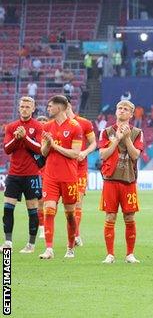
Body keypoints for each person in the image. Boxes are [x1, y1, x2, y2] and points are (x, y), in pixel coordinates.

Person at [98, 100, 143, 264]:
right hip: (110, 180)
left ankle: (130, 254)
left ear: (131, 114)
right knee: (110, 217)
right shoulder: (106, 132)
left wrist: (127, 138)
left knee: (129, 217)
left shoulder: (137, 132)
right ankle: (110, 254)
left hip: (128, 180)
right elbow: (103, 155)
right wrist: (117, 139)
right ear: (115, 111)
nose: (122, 111)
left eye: (126, 109)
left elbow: (135, 155)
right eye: (119, 108)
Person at [39, 95, 83, 259]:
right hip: (50, 176)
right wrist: (48, 144)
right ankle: (49, 249)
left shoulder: (75, 127)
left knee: (70, 214)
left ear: (60, 107)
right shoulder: (47, 127)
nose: (48, 108)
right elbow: (43, 153)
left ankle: (70, 247)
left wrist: (54, 145)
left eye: (51, 106)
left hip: (69, 177)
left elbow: (75, 153)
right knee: (48, 210)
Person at [2, 97, 44, 253]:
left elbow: (40, 149)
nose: (25, 109)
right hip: (14, 175)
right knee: (7, 209)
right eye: (22, 106)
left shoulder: (38, 126)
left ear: (33, 109)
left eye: (28, 106)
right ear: (19, 108)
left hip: (31, 175)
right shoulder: (11, 127)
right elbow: (7, 149)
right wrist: (16, 137)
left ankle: (31, 245)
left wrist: (25, 137)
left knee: (32, 210)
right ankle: (8, 242)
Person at [65, 99, 96, 247]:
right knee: (65, 206)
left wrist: (85, 152)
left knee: (77, 203)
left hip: (79, 170)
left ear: (68, 105)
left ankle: (76, 235)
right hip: (63, 169)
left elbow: (94, 143)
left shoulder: (84, 123)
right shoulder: (56, 125)